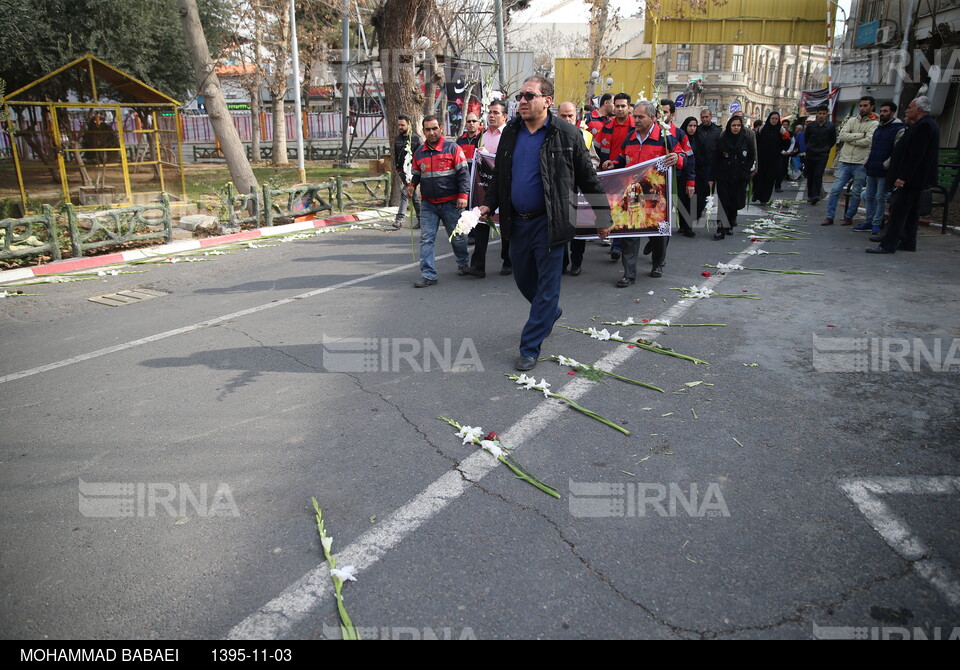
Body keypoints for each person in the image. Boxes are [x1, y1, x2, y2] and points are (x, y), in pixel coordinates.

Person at [478, 76, 609, 371]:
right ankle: (550, 312)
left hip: (551, 223)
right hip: (518, 222)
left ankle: (530, 346)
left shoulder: (567, 134)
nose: (522, 101)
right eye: (520, 96)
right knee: (524, 279)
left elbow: (589, 180)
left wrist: (603, 217)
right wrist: (489, 203)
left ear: (547, 101)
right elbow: (500, 175)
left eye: (529, 95)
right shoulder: (511, 131)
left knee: (548, 287)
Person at [601, 100, 685, 285]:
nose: (636, 120)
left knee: (658, 234)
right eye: (635, 116)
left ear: (653, 118)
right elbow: (623, 158)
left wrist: (677, 157)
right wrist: (613, 163)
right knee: (629, 233)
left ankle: (658, 263)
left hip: (657, 196)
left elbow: (684, 156)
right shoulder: (630, 137)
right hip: (632, 194)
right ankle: (628, 274)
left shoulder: (665, 137)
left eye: (641, 117)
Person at [867, 96, 939, 254]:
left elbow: (916, 155)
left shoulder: (924, 126)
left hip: (912, 179)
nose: (907, 110)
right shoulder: (922, 125)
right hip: (914, 177)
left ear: (919, 110)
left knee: (898, 210)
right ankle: (907, 241)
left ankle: (888, 244)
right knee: (912, 211)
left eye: (910, 108)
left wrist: (903, 177)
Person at [407, 115, 470, 287]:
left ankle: (463, 263)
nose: (431, 132)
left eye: (434, 128)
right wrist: (412, 185)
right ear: (423, 131)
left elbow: (464, 174)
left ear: (441, 128)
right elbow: (416, 175)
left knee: (456, 237)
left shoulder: (453, 148)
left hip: (451, 203)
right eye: (427, 129)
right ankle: (428, 274)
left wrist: (463, 196)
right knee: (426, 239)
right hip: (428, 204)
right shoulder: (419, 153)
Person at [467, 100, 511, 277]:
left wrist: (490, 156)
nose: (492, 116)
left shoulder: (509, 135)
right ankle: (478, 265)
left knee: (506, 224)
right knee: (481, 223)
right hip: (484, 187)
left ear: (505, 116)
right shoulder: (482, 135)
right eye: (490, 112)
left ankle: (508, 260)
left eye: (496, 113)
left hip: (505, 186)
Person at [822, 96, 879, 226]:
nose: (862, 108)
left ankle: (849, 216)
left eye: (865, 106)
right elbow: (842, 135)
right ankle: (830, 216)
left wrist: (851, 138)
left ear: (872, 107)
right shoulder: (852, 120)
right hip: (846, 160)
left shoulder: (874, 123)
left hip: (860, 162)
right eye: (861, 105)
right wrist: (860, 135)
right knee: (835, 189)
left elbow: (869, 141)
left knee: (856, 192)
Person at [557, 101, 597, 276]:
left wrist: (585, 168)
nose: (567, 119)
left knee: (579, 226)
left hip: (580, 190)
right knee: (560, 226)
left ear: (577, 116)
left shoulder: (586, 136)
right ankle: (562, 261)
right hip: (559, 191)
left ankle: (577, 261)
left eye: (570, 115)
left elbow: (595, 160)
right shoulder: (551, 135)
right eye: (563, 116)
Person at [854, 101, 904, 234]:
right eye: (881, 111)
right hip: (872, 167)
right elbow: (872, 146)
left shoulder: (898, 128)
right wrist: (867, 161)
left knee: (880, 197)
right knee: (868, 195)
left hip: (884, 170)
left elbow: (897, 151)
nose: (882, 113)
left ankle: (877, 223)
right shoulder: (879, 127)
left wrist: (886, 164)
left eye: (885, 111)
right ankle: (869, 221)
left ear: (892, 112)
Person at [597, 93, 634, 262]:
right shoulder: (607, 127)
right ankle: (616, 244)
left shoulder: (635, 127)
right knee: (614, 209)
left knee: (627, 210)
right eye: (617, 106)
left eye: (623, 106)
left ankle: (620, 245)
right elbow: (597, 149)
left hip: (630, 175)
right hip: (610, 175)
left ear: (628, 107)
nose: (619, 109)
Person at [713, 116, 755, 239]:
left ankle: (730, 225)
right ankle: (720, 229)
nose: (736, 128)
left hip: (739, 176)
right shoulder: (723, 139)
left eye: (738, 125)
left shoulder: (746, 140)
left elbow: (751, 156)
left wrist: (746, 170)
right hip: (724, 176)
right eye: (733, 125)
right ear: (729, 126)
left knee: (734, 202)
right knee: (723, 203)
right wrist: (713, 177)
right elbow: (716, 158)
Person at [753, 112, 789, 204]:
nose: (774, 120)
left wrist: (785, 137)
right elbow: (757, 141)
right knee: (759, 177)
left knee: (770, 179)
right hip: (762, 157)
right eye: (772, 118)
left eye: (776, 119)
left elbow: (785, 145)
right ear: (769, 119)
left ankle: (764, 198)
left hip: (774, 158)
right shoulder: (763, 129)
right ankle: (756, 194)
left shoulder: (780, 130)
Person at [393, 115, 422, 229]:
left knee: (405, 193)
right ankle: (421, 220)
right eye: (399, 125)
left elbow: (421, 155)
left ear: (409, 125)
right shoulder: (397, 139)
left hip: (413, 173)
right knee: (413, 196)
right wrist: (398, 168)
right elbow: (396, 154)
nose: (400, 127)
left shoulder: (416, 138)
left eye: (402, 125)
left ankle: (399, 220)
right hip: (402, 172)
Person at [804, 105, 836, 204]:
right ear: (817, 114)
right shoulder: (811, 126)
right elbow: (806, 139)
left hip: (822, 155)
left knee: (818, 175)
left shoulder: (830, 126)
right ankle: (810, 194)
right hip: (811, 153)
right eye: (820, 113)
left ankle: (816, 195)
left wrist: (826, 149)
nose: (821, 116)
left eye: (823, 113)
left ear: (827, 114)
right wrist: (810, 147)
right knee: (810, 175)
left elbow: (832, 141)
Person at [695, 107, 722, 225]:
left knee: (708, 189)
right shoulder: (697, 129)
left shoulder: (717, 131)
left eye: (707, 117)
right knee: (698, 189)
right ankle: (697, 210)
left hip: (711, 164)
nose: (705, 119)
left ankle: (704, 207)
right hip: (698, 163)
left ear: (711, 117)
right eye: (702, 117)